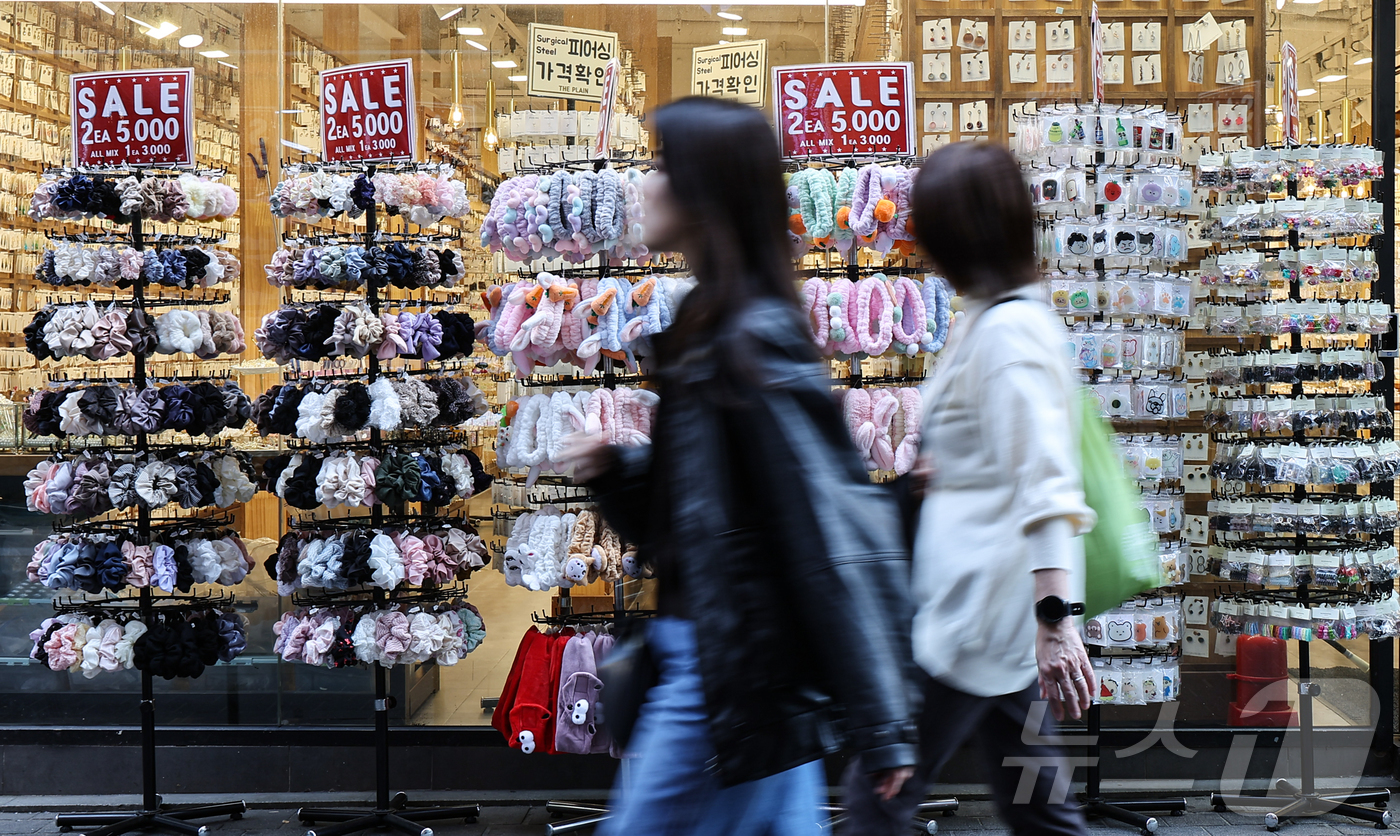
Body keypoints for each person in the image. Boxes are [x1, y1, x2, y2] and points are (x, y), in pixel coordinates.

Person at [559, 96, 919, 836]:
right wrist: (615, 472)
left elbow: (829, 532)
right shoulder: (712, 327)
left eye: (664, 167)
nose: (646, 185)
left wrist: (882, 722)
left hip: (724, 671)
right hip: (723, 661)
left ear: (704, 192)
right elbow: (687, 522)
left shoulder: (749, 339)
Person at [841, 141, 1098, 836]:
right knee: (1040, 809)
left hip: (970, 619)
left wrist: (1055, 622)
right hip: (985, 610)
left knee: (877, 795)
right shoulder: (991, 314)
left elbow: (1047, 486)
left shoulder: (1008, 331)